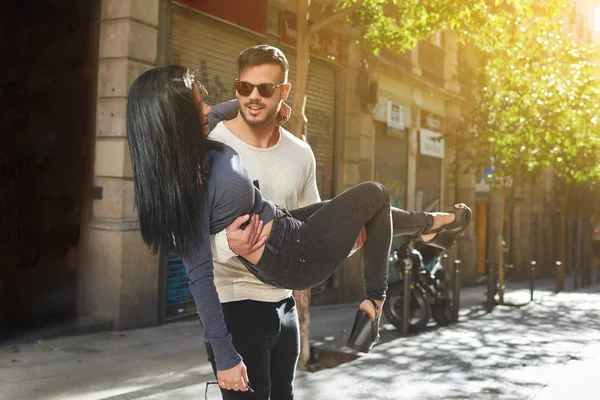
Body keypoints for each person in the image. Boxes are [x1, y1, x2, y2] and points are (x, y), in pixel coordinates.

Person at [125, 64, 471, 396]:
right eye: (198, 103)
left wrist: (271, 106)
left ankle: (434, 226)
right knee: (375, 193)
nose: (208, 107)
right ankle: (375, 300)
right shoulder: (187, 187)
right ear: (175, 122)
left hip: (288, 225)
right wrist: (225, 358)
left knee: (369, 210)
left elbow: (224, 110)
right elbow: (199, 278)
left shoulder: (194, 141)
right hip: (292, 255)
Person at [197, 45, 365, 400]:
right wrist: (230, 244)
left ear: (284, 92)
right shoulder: (210, 147)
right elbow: (185, 240)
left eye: (266, 89)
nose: (253, 97)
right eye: (245, 88)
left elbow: (314, 233)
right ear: (236, 86)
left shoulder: (300, 153)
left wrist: (348, 243)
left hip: (285, 305)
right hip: (234, 305)